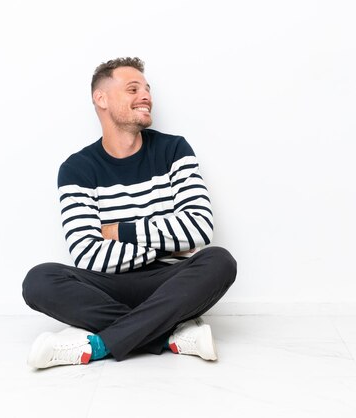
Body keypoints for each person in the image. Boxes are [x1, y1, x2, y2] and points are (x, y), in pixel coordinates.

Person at [22, 57, 237, 369]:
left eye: (147, 89)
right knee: (39, 280)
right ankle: (169, 336)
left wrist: (118, 231)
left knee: (219, 261)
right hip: (109, 286)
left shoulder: (174, 150)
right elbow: (88, 256)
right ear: (102, 99)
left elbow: (200, 230)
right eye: (133, 89)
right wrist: (169, 240)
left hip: (169, 283)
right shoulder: (76, 169)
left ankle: (97, 345)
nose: (146, 96)